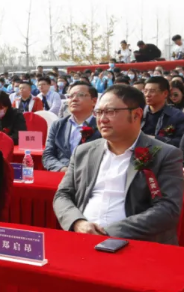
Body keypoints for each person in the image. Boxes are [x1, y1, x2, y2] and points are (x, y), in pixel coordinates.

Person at [53, 85, 184, 245]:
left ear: (136, 114)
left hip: (137, 244)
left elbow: (168, 209)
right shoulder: (83, 152)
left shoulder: (165, 154)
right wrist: (77, 222)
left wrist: (107, 233)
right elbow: (63, 195)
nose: (102, 119)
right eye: (99, 112)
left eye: (110, 112)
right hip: (83, 239)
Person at [43, 82, 100, 172]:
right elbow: (48, 155)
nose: (74, 99)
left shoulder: (102, 126)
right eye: (71, 96)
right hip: (61, 173)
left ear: (94, 101)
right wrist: (62, 168)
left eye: (80, 95)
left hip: (89, 175)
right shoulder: (58, 125)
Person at [141, 77, 184, 146]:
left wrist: (153, 139)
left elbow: (180, 142)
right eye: (145, 91)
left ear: (165, 93)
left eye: (152, 91)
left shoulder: (177, 116)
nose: (147, 95)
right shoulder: (139, 112)